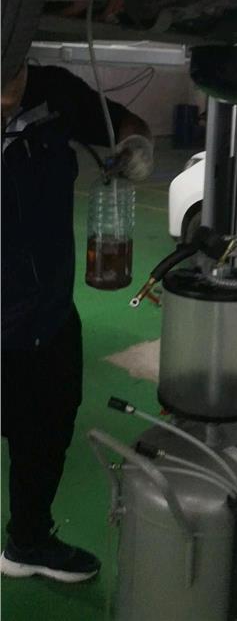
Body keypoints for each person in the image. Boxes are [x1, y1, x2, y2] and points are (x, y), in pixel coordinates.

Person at [1, 63, 153, 582]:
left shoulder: (55, 92)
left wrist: (136, 146)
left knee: (45, 435)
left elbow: (124, 122)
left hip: (47, 319)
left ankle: (28, 542)